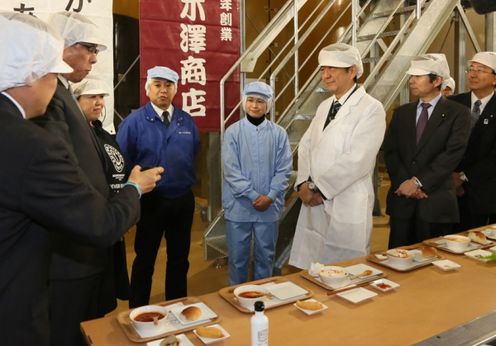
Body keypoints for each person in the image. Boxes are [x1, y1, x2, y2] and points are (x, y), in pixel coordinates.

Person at [0, 13, 162, 346]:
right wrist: (133, 189)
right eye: (51, 74)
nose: (54, 84)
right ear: (31, 74)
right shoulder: (30, 142)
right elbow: (97, 222)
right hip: (33, 283)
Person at [31, 11, 137, 346]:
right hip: (68, 255)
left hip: (87, 245)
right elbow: (64, 178)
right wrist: (132, 190)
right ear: (60, 45)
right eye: (88, 47)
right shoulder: (49, 99)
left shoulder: (61, 95)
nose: (94, 58)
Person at [289, 43, 386, 269]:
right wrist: (303, 182)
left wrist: (320, 189)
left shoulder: (371, 108)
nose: (326, 75)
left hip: (347, 198)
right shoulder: (324, 106)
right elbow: (306, 145)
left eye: (333, 68)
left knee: (345, 268)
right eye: (323, 69)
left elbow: (358, 158)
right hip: (314, 197)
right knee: (315, 265)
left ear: (352, 71)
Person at [117, 66, 200, 307]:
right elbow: (123, 160)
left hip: (182, 200)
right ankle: (138, 310)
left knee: (179, 258)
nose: (163, 91)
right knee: (145, 257)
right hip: (151, 201)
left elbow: (192, 151)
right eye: (157, 85)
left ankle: (176, 305)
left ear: (175, 89)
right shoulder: (133, 122)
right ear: (148, 89)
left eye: (168, 86)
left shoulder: (186, 120)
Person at [384, 54, 471, 248]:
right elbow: (390, 151)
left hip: (435, 200)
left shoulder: (458, 113)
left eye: (418, 76)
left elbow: (452, 154)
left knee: (432, 263)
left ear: (437, 80)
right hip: (402, 200)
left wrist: (418, 182)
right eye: (411, 76)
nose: (411, 81)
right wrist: (405, 183)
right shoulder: (402, 113)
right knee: (397, 258)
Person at [222, 81, 292, 285]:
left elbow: (284, 169)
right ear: (244, 102)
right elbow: (231, 171)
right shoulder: (233, 132)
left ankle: (263, 295)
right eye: (250, 100)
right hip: (239, 207)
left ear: (268, 105)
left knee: (265, 257)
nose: (255, 105)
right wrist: (254, 195)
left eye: (260, 101)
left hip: (268, 207)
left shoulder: (279, 133)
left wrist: (270, 196)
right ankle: (237, 296)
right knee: (237, 259)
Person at [73, 78, 131, 312]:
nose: (98, 103)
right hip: (89, 220)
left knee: (107, 283)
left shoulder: (104, 134)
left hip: (111, 217)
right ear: (76, 101)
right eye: (91, 97)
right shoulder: (73, 136)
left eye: (101, 97)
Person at [450, 52, 496, 230]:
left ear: (494, 79)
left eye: (481, 70)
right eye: (471, 69)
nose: (473, 74)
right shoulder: (453, 104)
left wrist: (462, 177)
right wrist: (449, 176)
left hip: (484, 191)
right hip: (448, 188)